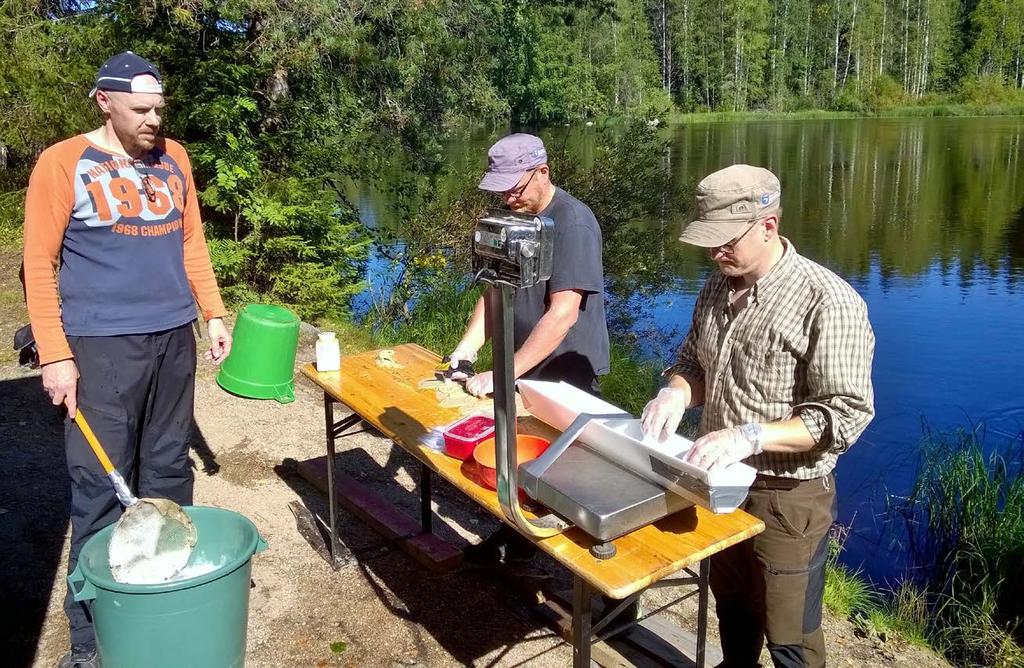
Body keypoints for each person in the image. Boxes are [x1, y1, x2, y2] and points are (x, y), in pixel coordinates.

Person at [22, 52, 232, 668]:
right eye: (140, 109)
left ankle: (170, 594)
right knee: (100, 485)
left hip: (173, 338)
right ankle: (92, 635)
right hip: (101, 345)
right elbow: (39, 263)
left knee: (168, 471)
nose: (153, 119)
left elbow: (192, 240)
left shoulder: (175, 158)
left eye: (159, 108)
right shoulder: (63, 162)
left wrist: (212, 313)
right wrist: (55, 355)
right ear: (103, 101)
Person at [641, 165, 875, 668]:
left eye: (725, 240)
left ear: (768, 225)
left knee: (790, 635)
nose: (714, 252)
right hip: (720, 483)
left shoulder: (828, 301)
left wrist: (748, 436)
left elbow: (845, 415)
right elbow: (691, 363)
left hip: (787, 498)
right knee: (733, 606)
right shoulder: (716, 288)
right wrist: (676, 394)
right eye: (708, 242)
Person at [449, 133, 610, 564]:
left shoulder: (573, 224)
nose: (508, 196)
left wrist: (506, 373)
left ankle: (594, 575)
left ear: (543, 172)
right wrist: (465, 351)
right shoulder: (515, 222)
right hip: (525, 370)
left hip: (566, 375)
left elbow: (564, 314)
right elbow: (493, 292)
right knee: (518, 457)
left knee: (568, 473)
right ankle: (517, 539)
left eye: (515, 187)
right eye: (501, 188)